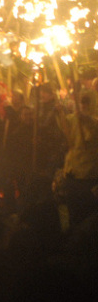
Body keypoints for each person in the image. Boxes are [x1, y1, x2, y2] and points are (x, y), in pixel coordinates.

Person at [57, 90, 98, 228]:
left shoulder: (94, 118)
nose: (84, 105)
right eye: (82, 102)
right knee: (74, 211)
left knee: (89, 214)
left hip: (88, 175)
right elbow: (65, 127)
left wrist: (85, 119)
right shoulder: (74, 118)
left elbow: (93, 130)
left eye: (87, 102)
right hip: (72, 172)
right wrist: (60, 112)